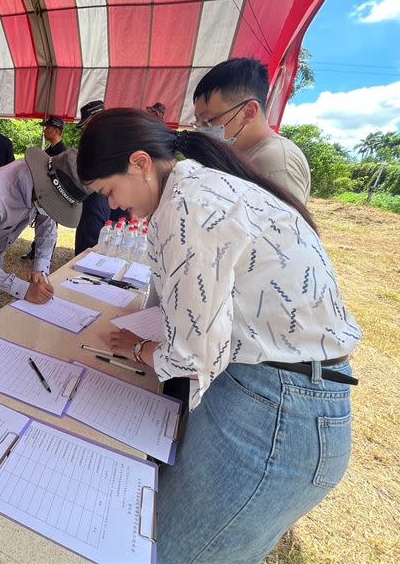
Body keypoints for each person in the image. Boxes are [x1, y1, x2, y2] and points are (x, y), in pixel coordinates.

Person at [77, 108, 361, 563]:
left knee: (171, 553)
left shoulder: (189, 205)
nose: (110, 205)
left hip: (280, 407)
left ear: (140, 163)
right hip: (282, 392)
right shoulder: (197, 187)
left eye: (109, 191)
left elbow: (193, 355)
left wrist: (145, 349)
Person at [0, 147, 89, 345]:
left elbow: (48, 227)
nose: (53, 210)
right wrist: (23, 289)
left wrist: (40, 269)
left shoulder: (43, 189)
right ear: (45, 187)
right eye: (54, 204)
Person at [193, 57, 311, 204]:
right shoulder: (240, 153)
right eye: (198, 122)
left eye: (208, 120)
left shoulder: (275, 161)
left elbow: (285, 226)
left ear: (248, 112)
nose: (201, 130)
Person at [73, 100, 127, 255]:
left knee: (88, 250)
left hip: (96, 200)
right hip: (114, 203)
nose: (85, 131)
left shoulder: (100, 142)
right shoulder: (120, 139)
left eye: (86, 126)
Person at [21, 115, 67, 260]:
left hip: (52, 196)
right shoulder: (49, 150)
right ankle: (36, 251)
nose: (44, 131)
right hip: (42, 194)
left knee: (49, 227)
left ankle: (46, 255)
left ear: (55, 131)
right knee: (41, 223)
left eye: (47, 128)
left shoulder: (62, 154)